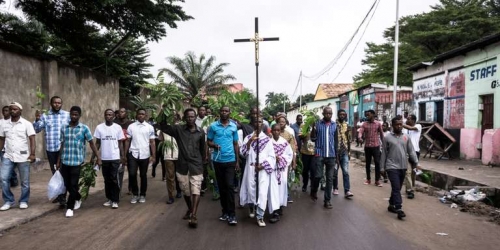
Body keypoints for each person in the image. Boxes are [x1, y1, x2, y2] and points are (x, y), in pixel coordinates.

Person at [158, 109, 205, 228]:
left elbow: (202, 150)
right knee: (186, 191)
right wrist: (165, 110)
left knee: (196, 190)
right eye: (188, 117)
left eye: (192, 116)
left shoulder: (201, 132)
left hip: (196, 165)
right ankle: (190, 209)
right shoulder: (178, 130)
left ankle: (193, 215)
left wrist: (203, 164)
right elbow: (163, 126)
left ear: (195, 117)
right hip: (182, 165)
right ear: (184, 118)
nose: (190, 118)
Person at [56, 106, 101, 218]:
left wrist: (98, 158)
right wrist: (58, 161)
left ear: (79, 116)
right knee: (67, 184)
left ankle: (70, 208)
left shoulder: (84, 128)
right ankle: (78, 197)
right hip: (65, 161)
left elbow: (91, 143)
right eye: (72, 114)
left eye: (76, 114)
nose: (74, 116)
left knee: (73, 184)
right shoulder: (64, 128)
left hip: (77, 161)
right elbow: (62, 145)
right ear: (70, 115)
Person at [239, 116, 277, 227]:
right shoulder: (248, 138)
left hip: (262, 170)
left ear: (263, 124)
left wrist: (263, 165)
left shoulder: (267, 140)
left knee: (262, 192)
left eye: (260, 121)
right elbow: (243, 153)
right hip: (251, 169)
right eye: (256, 121)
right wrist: (250, 141)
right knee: (251, 190)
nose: (258, 123)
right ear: (253, 123)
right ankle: (251, 207)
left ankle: (260, 216)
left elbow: (272, 156)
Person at [33, 96, 71, 206]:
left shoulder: (67, 115)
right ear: (51, 103)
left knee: (63, 172)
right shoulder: (45, 116)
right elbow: (37, 129)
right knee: (55, 172)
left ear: (61, 104)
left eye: (59, 103)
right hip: (51, 149)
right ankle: (60, 195)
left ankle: (62, 196)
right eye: (55, 103)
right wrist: (37, 119)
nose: (57, 104)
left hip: (64, 149)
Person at [381, 117, 419, 220]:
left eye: (401, 124)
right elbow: (384, 153)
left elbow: (411, 151)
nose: (399, 126)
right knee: (397, 187)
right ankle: (399, 208)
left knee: (396, 188)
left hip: (403, 166)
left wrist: (415, 162)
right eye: (397, 124)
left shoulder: (406, 137)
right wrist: (382, 168)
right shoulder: (387, 138)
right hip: (391, 166)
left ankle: (391, 204)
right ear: (392, 125)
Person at [207, 106, 240, 225]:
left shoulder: (233, 127)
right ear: (219, 112)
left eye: (226, 111)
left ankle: (232, 214)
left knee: (230, 186)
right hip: (217, 160)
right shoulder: (213, 127)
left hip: (230, 160)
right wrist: (214, 145)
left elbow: (236, 144)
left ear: (230, 113)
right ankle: (225, 212)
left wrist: (237, 161)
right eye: (222, 111)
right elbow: (208, 141)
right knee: (222, 187)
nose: (224, 112)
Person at [0, 102, 36, 211]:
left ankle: (24, 200)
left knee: (25, 181)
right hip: (8, 155)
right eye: (11, 109)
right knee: (3, 178)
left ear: (20, 111)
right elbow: (2, 138)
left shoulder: (26, 124)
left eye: (15, 109)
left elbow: (32, 139)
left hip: (23, 156)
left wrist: (33, 154)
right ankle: (9, 200)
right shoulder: (4, 124)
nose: (12, 111)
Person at [93, 109, 126, 209]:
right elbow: (97, 143)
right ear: (104, 116)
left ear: (113, 116)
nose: (108, 116)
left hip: (115, 157)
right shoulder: (99, 127)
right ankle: (109, 198)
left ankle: (115, 200)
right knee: (106, 179)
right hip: (104, 158)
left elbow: (120, 143)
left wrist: (122, 156)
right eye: (107, 114)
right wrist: (94, 157)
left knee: (114, 179)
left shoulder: (117, 127)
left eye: (110, 115)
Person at [124, 108, 156, 204]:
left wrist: (153, 155)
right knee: (132, 174)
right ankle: (135, 194)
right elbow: (127, 140)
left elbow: (152, 141)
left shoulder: (149, 127)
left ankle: (142, 194)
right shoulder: (131, 126)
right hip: (133, 153)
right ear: (136, 115)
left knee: (143, 175)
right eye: (139, 114)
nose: (141, 115)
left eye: (143, 114)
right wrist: (125, 155)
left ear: (145, 116)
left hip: (145, 154)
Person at [310, 107, 338, 209]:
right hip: (319, 154)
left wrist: (337, 156)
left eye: (330, 114)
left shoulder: (335, 125)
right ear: (323, 113)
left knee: (330, 179)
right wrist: (313, 128)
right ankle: (314, 190)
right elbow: (313, 139)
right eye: (326, 113)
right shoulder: (317, 124)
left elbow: (336, 141)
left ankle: (327, 200)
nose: (328, 115)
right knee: (318, 175)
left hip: (331, 155)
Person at [269, 123, 294, 223]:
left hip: (282, 170)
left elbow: (289, 155)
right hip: (272, 170)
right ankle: (275, 211)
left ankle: (279, 207)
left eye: (278, 130)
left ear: (280, 131)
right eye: (274, 130)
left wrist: (281, 159)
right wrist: (273, 158)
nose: (276, 132)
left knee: (281, 189)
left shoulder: (284, 143)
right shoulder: (268, 143)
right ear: (271, 131)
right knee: (273, 190)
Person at [358, 110, 384, 187]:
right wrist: (360, 137)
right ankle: (368, 179)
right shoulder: (364, 124)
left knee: (377, 163)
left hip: (376, 146)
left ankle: (377, 180)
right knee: (368, 163)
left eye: (368, 115)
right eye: (366, 115)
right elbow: (360, 131)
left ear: (373, 115)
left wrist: (384, 145)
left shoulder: (378, 124)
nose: (367, 116)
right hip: (367, 147)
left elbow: (382, 135)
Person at [333, 109, 353, 198]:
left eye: (343, 115)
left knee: (345, 171)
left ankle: (347, 190)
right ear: (338, 115)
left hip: (344, 151)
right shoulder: (334, 125)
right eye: (340, 114)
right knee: (335, 171)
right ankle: (335, 188)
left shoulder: (347, 126)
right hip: (335, 151)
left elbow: (349, 140)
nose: (342, 116)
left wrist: (349, 152)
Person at [276, 116, 296, 203]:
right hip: (274, 161)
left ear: (286, 123)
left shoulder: (289, 135)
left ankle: (286, 195)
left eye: (283, 122)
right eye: (280, 121)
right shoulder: (272, 134)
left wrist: (293, 162)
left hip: (285, 162)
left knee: (285, 179)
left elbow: (293, 150)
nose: (281, 123)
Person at [157, 125, 179, 204]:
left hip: (179, 155)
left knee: (179, 175)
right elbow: (160, 138)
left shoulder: (180, 128)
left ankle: (179, 190)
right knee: (170, 176)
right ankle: (171, 196)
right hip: (168, 156)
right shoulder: (163, 129)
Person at [114, 108, 133, 195]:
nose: (120, 114)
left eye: (122, 112)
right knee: (120, 170)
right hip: (118, 150)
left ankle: (131, 187)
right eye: (119, 112)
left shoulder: (130, 124)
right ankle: (118, 189)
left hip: (130, 150)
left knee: (131, 170)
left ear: (126, 113)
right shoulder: (115, 123)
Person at [402, 114, 422, 199]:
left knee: (413, 172)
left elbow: (410, 128)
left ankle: (411, 187)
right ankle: (410, 190)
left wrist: (400, 124)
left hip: (415, 152)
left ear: (413, 120)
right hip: (406, 152)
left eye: (409, 119)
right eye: (407, 119)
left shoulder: (418, 126)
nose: (407, 120)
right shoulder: (405, 129)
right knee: (407, 172)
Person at [1, 105, 19, 187]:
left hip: (12, 148)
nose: (6, 112)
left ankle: (14, 180)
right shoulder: (0, 122)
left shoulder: (13, 122)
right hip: (2, 148)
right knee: (5, 165)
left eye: (7, 110)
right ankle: (6, 182)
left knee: (10, 166)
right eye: (4, 110)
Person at [300, 124, 315, 193]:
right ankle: (305, 184)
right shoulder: (303, 126)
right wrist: (305, 131)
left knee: (313, 170)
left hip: (315, 153)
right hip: (305, 152)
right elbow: (300, 137)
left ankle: (312, 185)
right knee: (305, 170)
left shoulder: (317, 126)